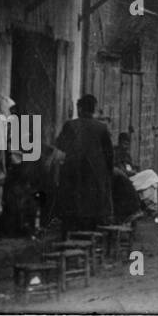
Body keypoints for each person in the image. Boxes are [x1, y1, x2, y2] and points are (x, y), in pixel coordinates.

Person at [55, 94, 114, 234]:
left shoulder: (70, 125)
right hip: (95, 178)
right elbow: (109, 155)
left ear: (80, 108)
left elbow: (60, 145)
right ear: (93, 110)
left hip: (74, 176)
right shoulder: (101, 128)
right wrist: (107, 175)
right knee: (92, 215)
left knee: (72, 213)